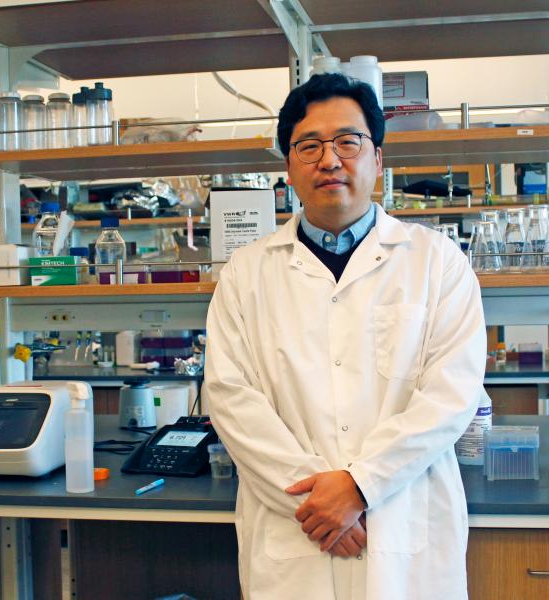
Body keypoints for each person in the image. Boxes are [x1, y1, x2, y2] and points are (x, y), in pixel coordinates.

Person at [204, 73, 487, 599]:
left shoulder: (436, 262)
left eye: (348, 142)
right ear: (288, 166)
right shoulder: (246, 273)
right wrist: (318, 505)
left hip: (403, 524)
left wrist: (359, 486)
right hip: (295, 530)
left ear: (377, 159)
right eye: (308, 145)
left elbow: (451, 395)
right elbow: (229, 399)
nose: (329, 160)